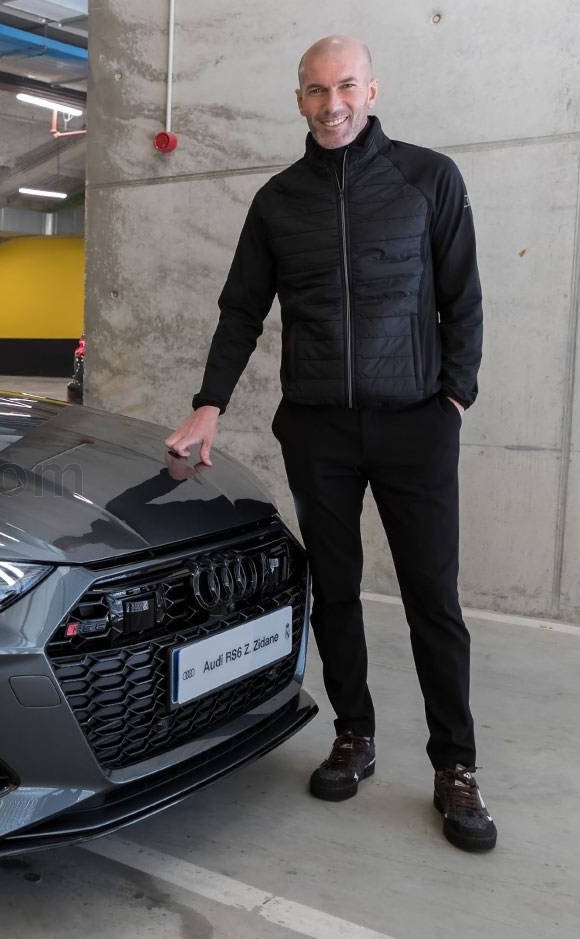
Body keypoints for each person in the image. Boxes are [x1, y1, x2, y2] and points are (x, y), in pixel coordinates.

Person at [164, 35, 494, 851]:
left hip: (416, 420)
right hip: (318, 427)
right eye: (316, 90)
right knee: (335, 589)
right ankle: (355, 733)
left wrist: (453, 398)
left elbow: (464, 297)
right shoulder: (279, 201)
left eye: (346, 86)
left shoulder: (428, 179)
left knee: (433, 599)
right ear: (299, 99)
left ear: (372, 89)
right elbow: (240, 309)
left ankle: (455, 766)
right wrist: (209, 404)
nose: (332, 103)